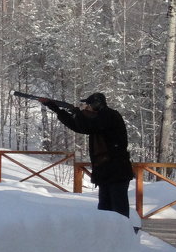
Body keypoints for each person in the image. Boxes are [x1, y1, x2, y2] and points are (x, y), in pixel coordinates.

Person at [43, 92, 135, 221]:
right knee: (104, 209)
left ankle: (124, 236)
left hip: (117, 171)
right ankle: (106, 236)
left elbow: (89, 126)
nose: (86, 108)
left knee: (119, 209)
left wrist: (77, 113)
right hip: (105, 171)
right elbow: (78, 126)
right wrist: (57, 109)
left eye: (89, 105)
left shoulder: (110, 116)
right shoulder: (100, 118)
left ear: (96, 104)